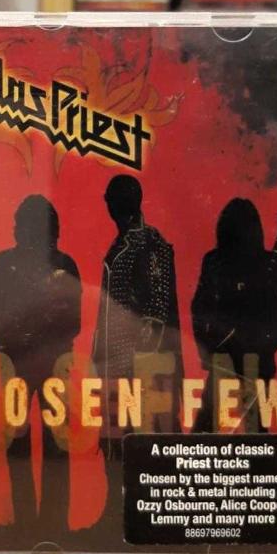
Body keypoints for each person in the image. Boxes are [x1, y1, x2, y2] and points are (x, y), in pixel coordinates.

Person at [0, 195, 81, 538]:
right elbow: (1, 323)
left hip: (31, 362)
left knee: (40, 443)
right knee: (34, 443)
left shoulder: (7, 264)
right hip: (40, 361)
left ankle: (39, 524)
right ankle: (43, 524)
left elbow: (73, 323)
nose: (15, 230)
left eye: (20, 224)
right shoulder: (60, 264)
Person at [93, 175, 183, 526]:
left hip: (143, 366)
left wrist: (138, 365)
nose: (107, 204)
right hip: (114, 362)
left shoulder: (151, 244)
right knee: (115, 437)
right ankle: (114, 511)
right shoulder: (121, 244)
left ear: (122, 202)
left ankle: (149, 514)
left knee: (146, 439)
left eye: (111, 198)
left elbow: (157, 313)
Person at [191, 198, 277, 433]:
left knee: (253, 429)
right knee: (209, 426)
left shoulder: (269, 264)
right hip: (227, 356)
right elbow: (199, 309)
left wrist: (262, 342)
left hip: (247, 359)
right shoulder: (215, 262)